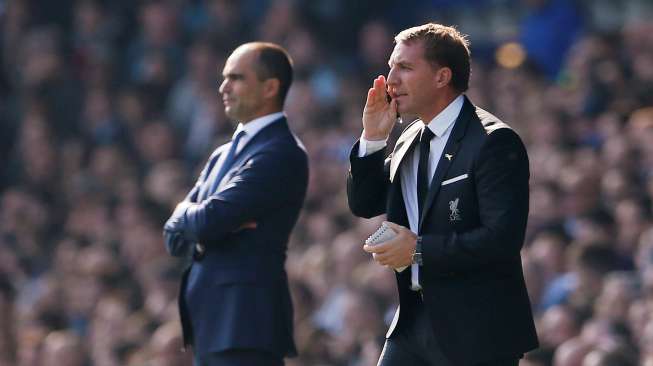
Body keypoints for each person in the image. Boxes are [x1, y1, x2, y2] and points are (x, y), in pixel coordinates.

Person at [347, 23, 539, 365]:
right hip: (413, 321)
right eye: (391, 66)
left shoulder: (494, 141)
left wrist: (418, 250)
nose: (390, 80)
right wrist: (373, 139)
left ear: (442, 77)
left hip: (476, 327)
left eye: (405, 67)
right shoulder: (407, 136)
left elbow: (502, 240)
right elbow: (364, 203)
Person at [163, 42, 308, 366]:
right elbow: (173, 237)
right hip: (211, 324)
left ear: (271, 87)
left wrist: (191, 216)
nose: (223, 87)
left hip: (246, 325)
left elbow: (207, 222)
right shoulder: (221, 155)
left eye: (236, 78)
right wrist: (194, 216)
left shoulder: (279, 152)